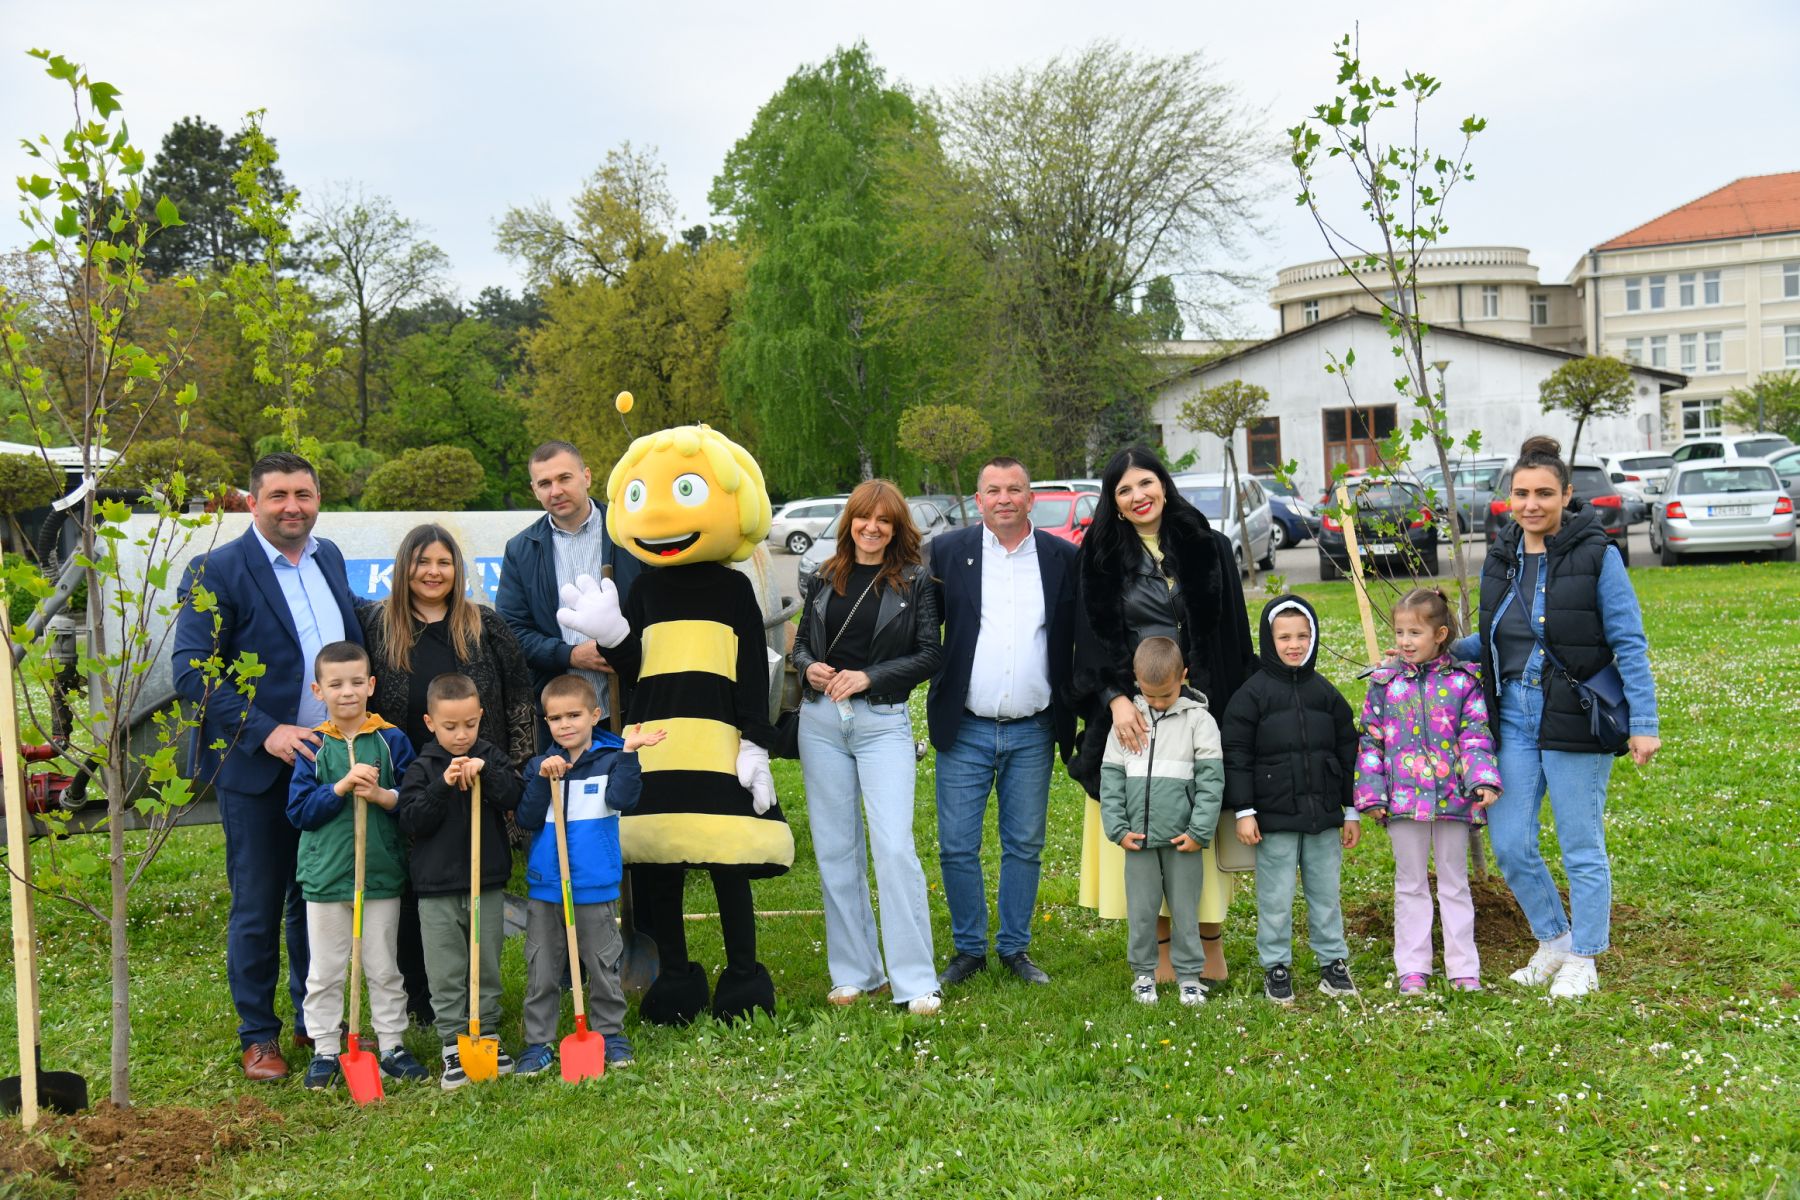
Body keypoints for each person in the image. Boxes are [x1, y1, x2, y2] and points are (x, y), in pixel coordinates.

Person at [173, 451, 363, 1081]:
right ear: (252, 502)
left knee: (316, 898)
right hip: (259, 766)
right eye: (278, 495)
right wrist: (266, 731)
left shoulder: (329, 558)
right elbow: (192, 671)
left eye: (303, 494)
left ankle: (316, 1020)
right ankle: (258, 1036)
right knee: (257, 905)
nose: (292, 507)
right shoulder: (216, 570)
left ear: (317, 500)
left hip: (326, 761)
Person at [1454, 435, 1660, 999]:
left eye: (1544, 493)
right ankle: (1554, 941)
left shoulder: (1598, 555)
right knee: (1511, 843)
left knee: (1580, 846)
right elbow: (1494, 636)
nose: (1531, 504)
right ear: (1509, 498)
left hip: (1575, 715)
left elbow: (1629, 641)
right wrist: (1436, 651)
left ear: (1566, 496)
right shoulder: (1502, 557)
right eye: (1521, 493)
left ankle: (1585, 957)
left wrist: (1644, 722)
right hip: (1513, 717)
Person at [1070, 446, 1254, 990]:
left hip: (1201, 708)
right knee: (1150, 826)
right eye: (1124, 490)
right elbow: (1087, 639)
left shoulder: (1207, 545)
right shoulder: (1099, 558)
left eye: (1145, 483)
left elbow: (1233, 633)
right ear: (1114, 502)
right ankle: (1165, 948)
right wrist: (1115, 698)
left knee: (1201, 821)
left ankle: (1211, 942)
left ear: (1164, 485)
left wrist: (1224, 705)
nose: (1138, 496)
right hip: (1135, 714)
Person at [359, 523, 536, 1024]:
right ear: (404, 567)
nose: (433, 572)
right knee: (417, 885)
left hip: (479, 775)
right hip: (413, 780)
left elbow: (520, 699)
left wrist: (514, 772)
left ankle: (478, 998)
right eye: (422, 562)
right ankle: (420, 995)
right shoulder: (379, 626)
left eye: (443, 562)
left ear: (457, 569)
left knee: (473, 883)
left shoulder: (484, 624)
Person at [790, 480, 944, 1014]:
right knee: (836, 850)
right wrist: (808, 667)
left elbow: (930, 654)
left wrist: (869, 676)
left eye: (883, 520)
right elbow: (801, 645)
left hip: (882, 723)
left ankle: (916, 981)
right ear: (850, 521)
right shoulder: (823, 576)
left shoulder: (916, 582)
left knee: (894, 848)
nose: (871, 528)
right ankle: (855, 972)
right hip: (821, 724)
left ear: (897, 528)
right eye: (863, 517)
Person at [927, 457, 1077, 988]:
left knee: (1024, 845)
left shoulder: (1062, 558)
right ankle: (969, 949)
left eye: (1015, 489)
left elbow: (1078, 636)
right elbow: (922, 630)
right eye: (993, 490)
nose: (1004, 499)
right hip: (964, 726)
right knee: (956, 845)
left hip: (1033, 728)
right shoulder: (947, 552)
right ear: (978, 499)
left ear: (1031, 498)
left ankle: (1014, 947)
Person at [284, 641, 427, 1089]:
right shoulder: (314, 746)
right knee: (326, 970)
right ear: (318, 690)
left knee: (383, 966)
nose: (346, 692)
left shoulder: (391, 740)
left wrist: (383, 796)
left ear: (371, 685)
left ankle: (392, 1045)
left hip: (379, 876)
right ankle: (326, 1048)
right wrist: (340, 787)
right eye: (335, 684)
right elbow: (299, 811)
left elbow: (411, 801)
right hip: (325, 879)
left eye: (355, 682)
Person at [1354, 588, 1503, 995]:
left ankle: (1463, 968)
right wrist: (1372, 794)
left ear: (1440, 635)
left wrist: (1482, 779)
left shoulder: (1463, 683)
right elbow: (1370, 740)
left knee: (1454, 882)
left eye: (1414, 633)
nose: (1405, 641)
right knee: (1410, 883)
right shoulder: (1384, 684)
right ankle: (1413, 967)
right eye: (1400, 632)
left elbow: (1476, 735)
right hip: (1403, 802)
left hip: (1453, 799)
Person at [515, 675, 662, 1074]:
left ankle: (610, 1033)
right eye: (555, 718)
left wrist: (629, 754)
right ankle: (538, 1041)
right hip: (547, 885)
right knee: (542, 966)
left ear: (595, 715)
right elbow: (526, 818)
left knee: (602, 962)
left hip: (593, 883)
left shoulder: (611, 760)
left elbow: (623, 799)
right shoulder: (540, 766)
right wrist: (542, 779)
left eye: (574, 715)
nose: (564, 725)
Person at [1221, 595, 1360, 1006]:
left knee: (1325, 895)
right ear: (1269, 639)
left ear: (1313, 637)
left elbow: (1348, 752)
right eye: (1284, 637)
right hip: (1274, 819)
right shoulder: (1251, 696)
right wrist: (1244, 811)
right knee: (1276, 898)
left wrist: (1351, 809)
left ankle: (1332, 962)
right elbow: (1236, 754)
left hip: (1323, 817)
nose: (1294, 645)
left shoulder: (1327, 694)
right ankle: (1276, 965)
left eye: (1302, 636)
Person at [395, 673, 524, 1088]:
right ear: (430, 722)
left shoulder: (490, 756)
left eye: (470, 724)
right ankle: (453, 1041)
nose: (462, 735)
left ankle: (486, 1033)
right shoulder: (423, 767)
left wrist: (488, 773)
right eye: (450, 726)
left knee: (485, 962)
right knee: (446, 968)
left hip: (486, 883)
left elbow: (515, 797)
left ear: (481, 716)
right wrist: (443, 786)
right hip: (436, 889)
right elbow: (411, 820)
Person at [1098, 637, 1224, 1007]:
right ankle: (1143, 974)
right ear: (1135, 680)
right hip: (1137, 840)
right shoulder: (1126, 723)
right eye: (1148, 695)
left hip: (1183, 839)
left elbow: (1211, 782)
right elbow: (1111, 779)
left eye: (1165, 695)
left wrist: (1199, 831)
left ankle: (1190, 977)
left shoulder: (1200, 721)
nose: (1156, 703)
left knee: (1186, 910)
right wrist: (1117, 828)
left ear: (1183, 676)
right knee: (1141, 912)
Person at [496, 441, 643, 735]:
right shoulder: (521, 550)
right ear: (534, 490)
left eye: (564, 478)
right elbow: (511, 631)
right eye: (545, 483)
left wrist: (624, 649)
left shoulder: (631, 533)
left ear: (586, 477)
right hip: (560, 721)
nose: (556, 491)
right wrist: (569, 655)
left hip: (634, 705)